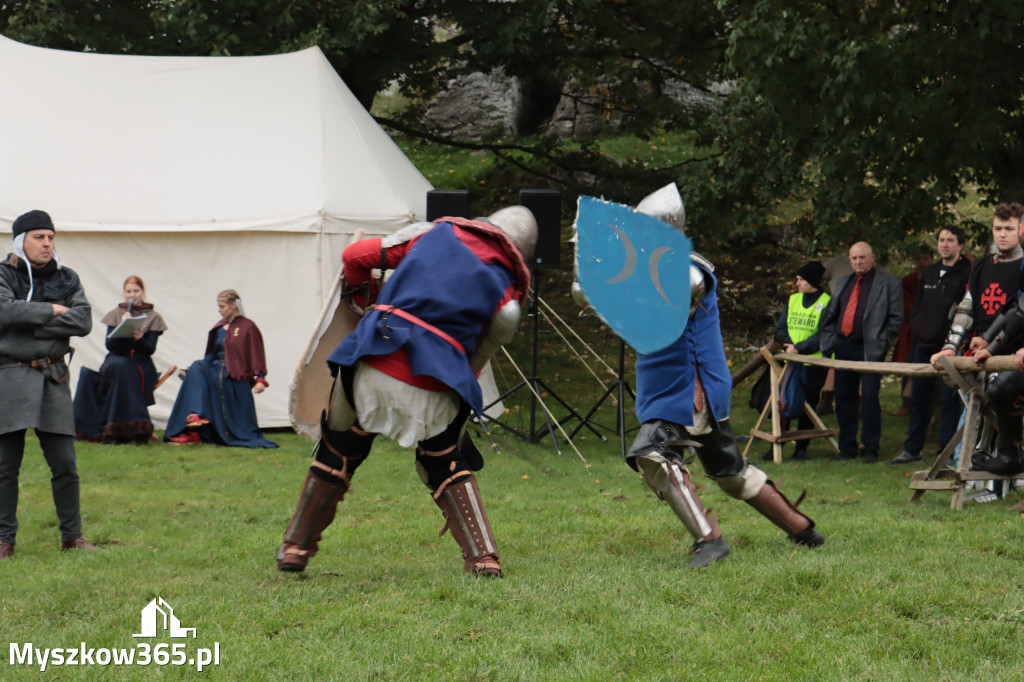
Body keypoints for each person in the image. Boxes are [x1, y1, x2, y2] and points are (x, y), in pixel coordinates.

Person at [276, 206, 536, 578]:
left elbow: (354, 257)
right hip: (437, 385)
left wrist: (365, 300)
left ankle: (295, 548)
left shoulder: (428, 234)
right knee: (445, 461)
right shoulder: (509, 294)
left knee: (338, 449)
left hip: (372, 362)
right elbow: (477, 359)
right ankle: (483, 557)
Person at [609, 185, 824, 569]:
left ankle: (709, 540)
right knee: (731, 473)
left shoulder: (689, 267)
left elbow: (684, 289)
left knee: (652, 453)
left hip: (689, 388)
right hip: (673, 386)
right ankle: (802, 528)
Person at [0, 210, 98, 558]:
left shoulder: (67, 278)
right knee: (4, 466)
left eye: (51, 237)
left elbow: (83, 320)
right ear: (21, 240)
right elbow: (4, 313)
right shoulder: (3, 273)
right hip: (10, 375)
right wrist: (55, 311)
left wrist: (32, 320)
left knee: (65, 464)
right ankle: (3, 540)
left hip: (53, 377)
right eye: (39, 237)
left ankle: (72, 537)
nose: (47, 243)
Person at [887, 227, 971, 466]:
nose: (945, 244)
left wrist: (951, 341)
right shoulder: (931, 272)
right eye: (941, 240)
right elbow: (918, 307)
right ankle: (912, 450)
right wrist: (917, 325)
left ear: (960, 245)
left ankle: (945, 453)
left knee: (949, 401)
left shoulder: (967, 273)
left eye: (950, 240)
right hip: (922, 346)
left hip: (949, 348)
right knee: (918, 399)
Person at [820, 241, 904, 463]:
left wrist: (882, 344)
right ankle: (847, 448)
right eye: (854, 258)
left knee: (869, 398)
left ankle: (870, 448)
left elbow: (896, 320)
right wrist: (832, 342)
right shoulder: (845, 282)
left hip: (870, 349)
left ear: (872, 258)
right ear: (850, 259)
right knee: (844, 399)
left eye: (862, 257)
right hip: (844, 347)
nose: (858, 261)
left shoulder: (889, 284)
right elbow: (831, 315)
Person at [164, 289, 277, 448]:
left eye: (222, 306)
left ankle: (201, 423)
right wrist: (198, 367)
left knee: (202, 370)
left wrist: (260, 379)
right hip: (215, 368)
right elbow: (212, 354)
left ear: (233, 305)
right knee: (196, 367)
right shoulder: (219, 328)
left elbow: (256, 353)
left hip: (235, 373)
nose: (219, 310)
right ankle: (195, 417)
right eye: (218, 306)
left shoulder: (248, 326)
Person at [73, 275, 168, 443]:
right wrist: (121, 326)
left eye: (136, 291)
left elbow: (150, 349)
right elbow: (109, 345)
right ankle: (119, 426)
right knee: (114, 367)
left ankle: (126, 428)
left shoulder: (153, 316)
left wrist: (140, 339)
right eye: (128, 291)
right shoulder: (116, 314)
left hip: (141, 363)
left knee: (125, 368)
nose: (132, 295)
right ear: (124, 293)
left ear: (143, 292)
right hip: (116, 358)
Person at [766, 260, 830, 461]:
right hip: (790, 359)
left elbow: (824, 333)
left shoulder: (827, 301)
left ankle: (802, 447)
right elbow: (782, 327)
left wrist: (800, 347)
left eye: (801, 279)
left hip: (814, 363)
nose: (797, 283)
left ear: (812, 280)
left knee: (808, 404)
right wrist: (789, 345)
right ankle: (779, 442)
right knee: (783, 401)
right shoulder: (793, 299)